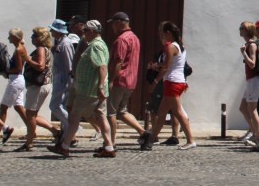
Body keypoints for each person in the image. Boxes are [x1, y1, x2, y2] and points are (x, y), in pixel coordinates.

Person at [47, 20, 114, 158]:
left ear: (91, 32)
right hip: (92, 88)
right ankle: (108, 146)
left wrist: (100, 86)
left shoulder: (96, 46)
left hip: (89, 89)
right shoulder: (97, 45)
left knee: (75, 117)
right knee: (101, 116)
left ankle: (64, 146)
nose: (83, 34)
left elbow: (101, 66)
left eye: (85, 31)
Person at [139, 22, 196, 151]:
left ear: (168, 33)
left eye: (162, 32)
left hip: (172, 82)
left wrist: (154, 82)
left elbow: (166, 67)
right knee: (161, 113)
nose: (161, 35)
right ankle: (151, 140)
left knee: (179, 112)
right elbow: (172, 64)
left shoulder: (171, 47)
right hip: (177, 81)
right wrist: (156, 66)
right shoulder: (180, 46)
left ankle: (190, 140)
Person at [107, 12, 144, 147]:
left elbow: (118, 61)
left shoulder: (121, 39)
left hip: (119, 80)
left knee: (110, 112)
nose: (112, 26)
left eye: (113, 23)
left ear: (118, 22)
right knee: (122, 111)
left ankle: (110, 142)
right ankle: (143, 132)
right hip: (131, 80)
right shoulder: (135, 38)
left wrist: (111, 80)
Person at [17, 26, 56, 151]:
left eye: (34, 36)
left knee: (30, 114)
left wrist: (27, 59)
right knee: (32, 114)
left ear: (40, 38)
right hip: (43, 84)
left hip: (39, 85)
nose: (32, 38)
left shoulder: (40, 49)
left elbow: (40, 66)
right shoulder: (45, 49)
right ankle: (55, 132)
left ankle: (29, 142)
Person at [0, 28, 29, 145]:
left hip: (15, 80)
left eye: (10, 36)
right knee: (19, 107)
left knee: (3, 107)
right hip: (18, 80)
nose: (8, 38)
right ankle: (31, 129)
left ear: (15, 37)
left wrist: (6, 70)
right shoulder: (20, 48)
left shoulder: (19, 49)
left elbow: (18, 68)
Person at [47, 19, 73, 140]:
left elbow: (69, 63)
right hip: (59, 77)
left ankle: (73, 125)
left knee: (54, 105)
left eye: (52, 29)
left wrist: (69, 80)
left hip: (63, 78)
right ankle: (67, 133)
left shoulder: (65, 44)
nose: (51, 31)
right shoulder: (60, 42)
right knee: (60, 105)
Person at [238, 21, 259, 145]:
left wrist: (243, 53)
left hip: (254, 80)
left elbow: (252, 64)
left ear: (247, 30)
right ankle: (254, 131)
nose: (240, 30)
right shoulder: (248, 44)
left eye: (242, 28)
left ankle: (258, 137)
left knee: (252, 109)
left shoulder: (251, 45)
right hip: (250, 80)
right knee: (243, 108)